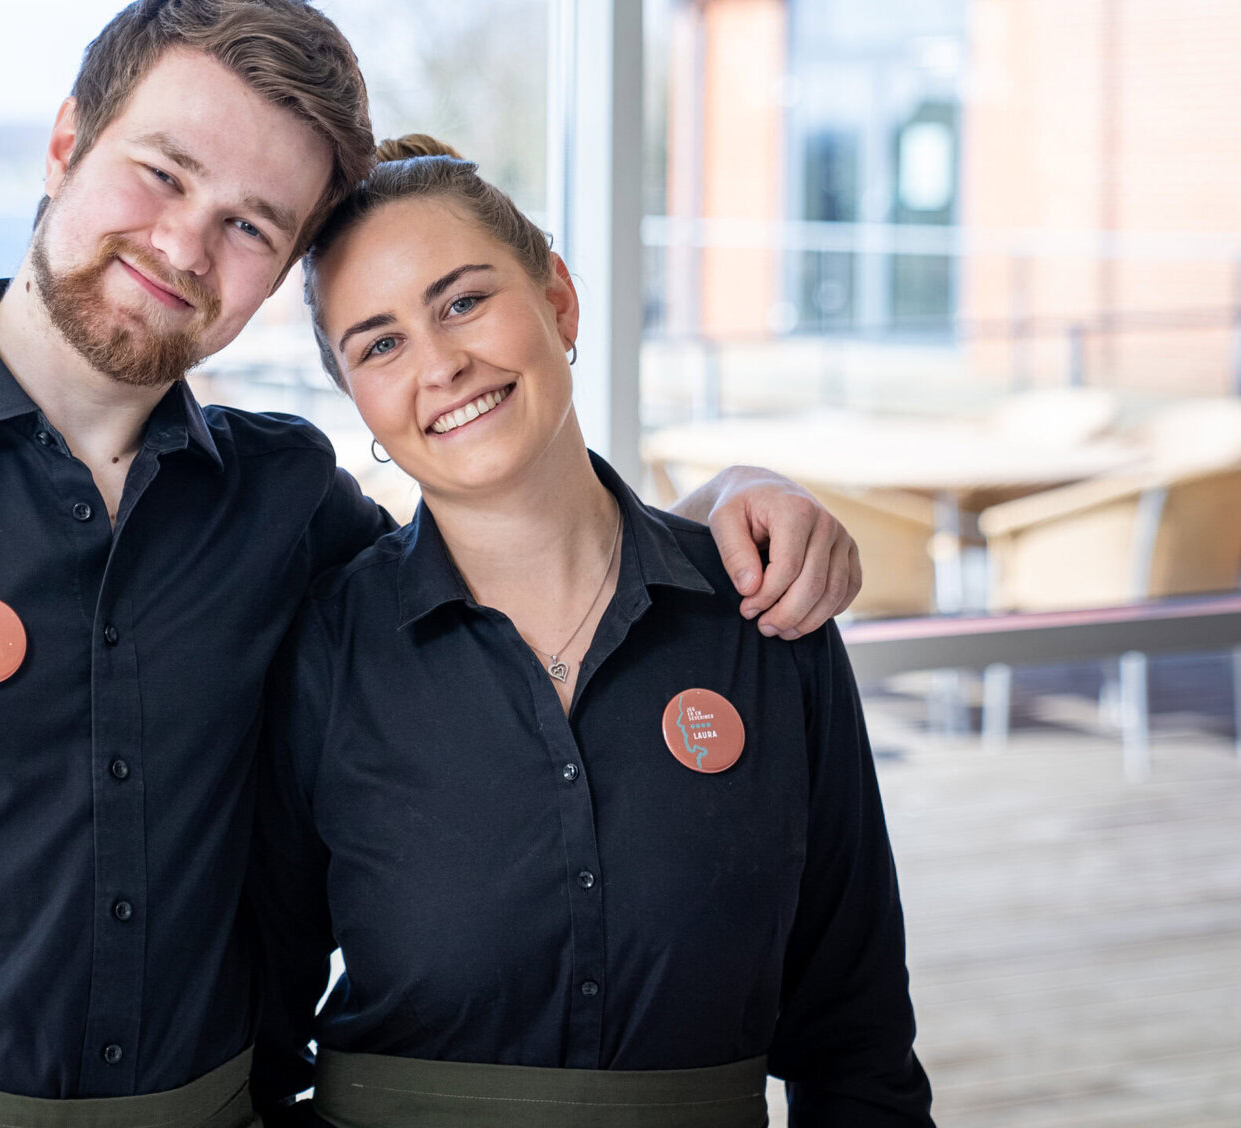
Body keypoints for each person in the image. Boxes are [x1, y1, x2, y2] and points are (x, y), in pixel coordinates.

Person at [0, 0, 864, 1128]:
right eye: (161, 174)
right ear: (67, 142)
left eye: (249, 225)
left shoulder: (289, 506)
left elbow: (513, 542)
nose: (182, 244)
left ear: (277, 278)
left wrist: (723, 506)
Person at [250, 136, 931, 1127]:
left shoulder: (760, 615)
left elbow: (856, 1042)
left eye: (462, 301)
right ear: (356, 394)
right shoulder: (325, 653)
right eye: (379, 344)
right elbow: (257, 1042)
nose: (441, 364)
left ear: (559, 301)